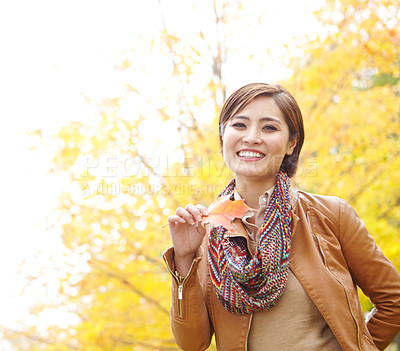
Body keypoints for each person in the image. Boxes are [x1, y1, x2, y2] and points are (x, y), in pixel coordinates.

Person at [163, 83, 400, 350]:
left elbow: (394, 301)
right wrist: (184, 259)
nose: (252, 137)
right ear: (222, 138)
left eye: (269, 127)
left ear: (291, 143)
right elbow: (192, 343)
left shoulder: (331, 215)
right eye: (239, 125)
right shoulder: (204, 232)